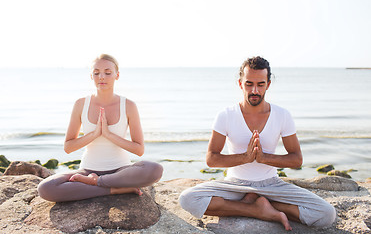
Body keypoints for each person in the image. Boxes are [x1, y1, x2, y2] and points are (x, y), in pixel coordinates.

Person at [179, 56, 336, 231]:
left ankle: (267, 204)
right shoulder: (226, 115)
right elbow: (211, 159)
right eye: (249, 84)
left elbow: (296, 159)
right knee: (187, 198)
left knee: (326, 214)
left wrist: (263, 158)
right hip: (234, 185)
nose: (254, 90)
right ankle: (257, 209)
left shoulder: (282, 115)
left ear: (268, 84)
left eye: (260, 84)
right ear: (240, 84)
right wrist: (246, 158)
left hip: (271, 185)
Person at [38, 54, 163, 202]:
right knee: (46, 188)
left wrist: (109, 135)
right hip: (87, 171)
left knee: (155, 169)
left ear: (117, 75)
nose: (102, 77)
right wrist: (95, 134)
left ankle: (96, 184)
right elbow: (68, 147)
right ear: (91, 76)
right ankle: (114, 190)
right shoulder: (81, 104)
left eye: (108, 73)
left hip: (120, 171)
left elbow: (139, 149)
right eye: (96, 73)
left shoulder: (128, 105)